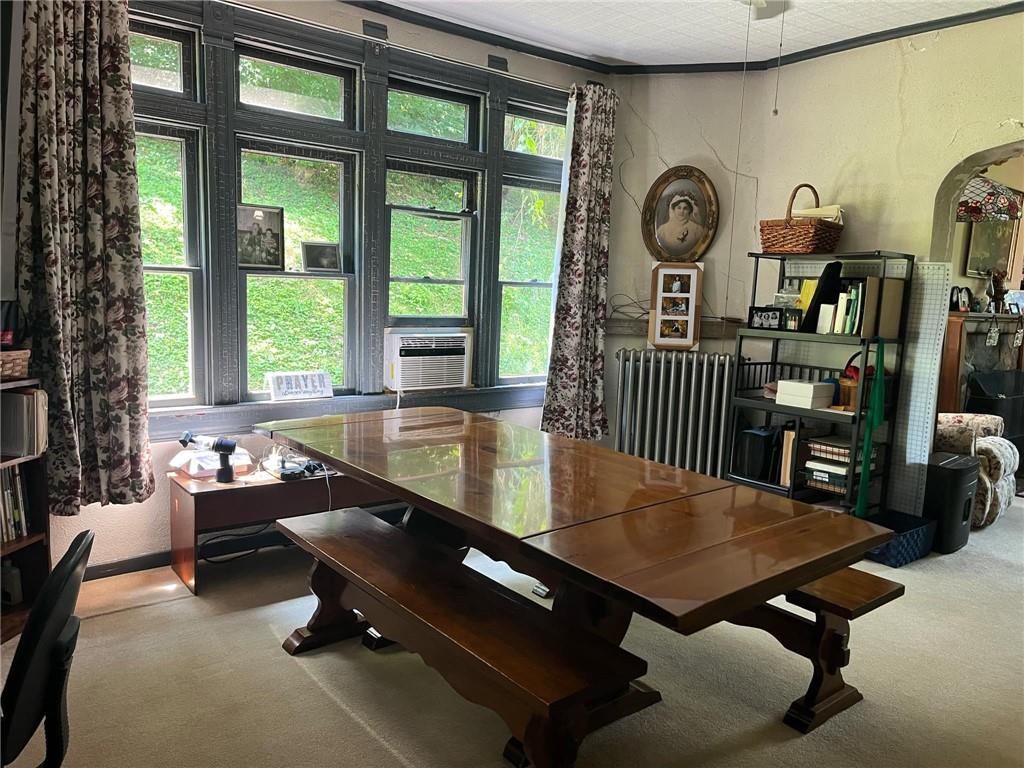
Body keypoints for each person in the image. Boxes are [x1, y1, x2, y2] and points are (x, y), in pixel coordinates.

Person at [656, 193, 707, 259]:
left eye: (685, 208)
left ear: (689, 211)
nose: (681, 211)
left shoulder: (697, 229)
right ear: (674, 210)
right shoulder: (662, 229)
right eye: (679, 208)